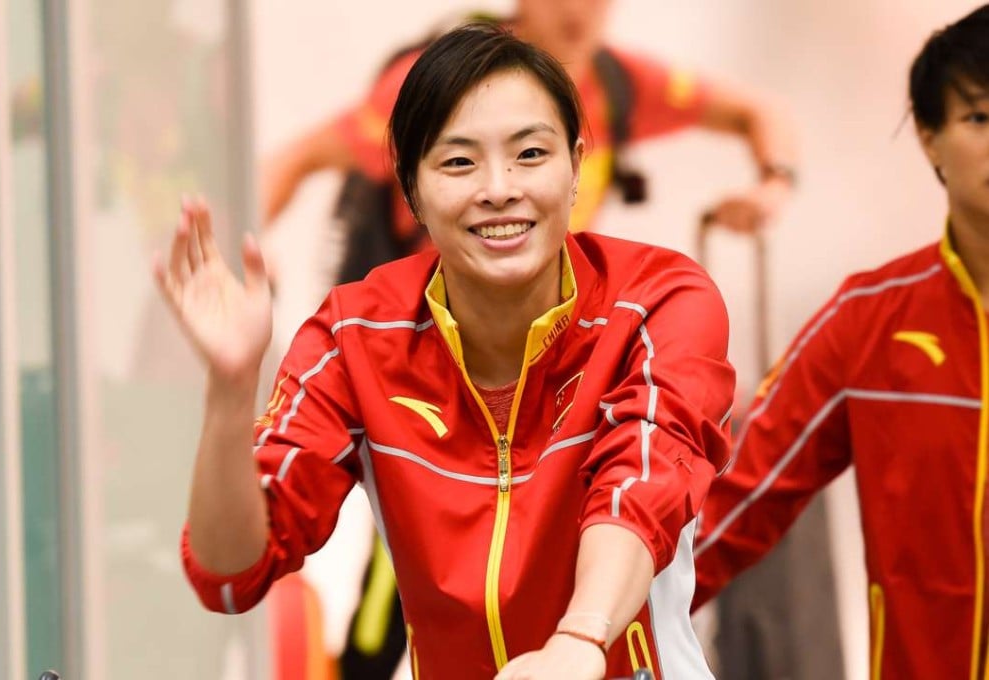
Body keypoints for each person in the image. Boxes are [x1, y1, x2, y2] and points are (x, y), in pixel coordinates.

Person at [156, 24, 734, 679]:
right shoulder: (354, 335)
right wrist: (231, 389)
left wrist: (580, 640)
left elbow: (642, 483)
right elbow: (229, 574)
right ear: (411, 189)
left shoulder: (660, 301)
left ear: (577, 166)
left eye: (531, 154)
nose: (499, 188)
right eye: (459, 162)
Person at [692, 5, 989, 678]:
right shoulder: (868, 322)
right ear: (930, 137)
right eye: (979, 117)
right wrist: (585, 627)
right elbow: (733, 507)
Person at [262, 0, 798, 252]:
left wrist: (774, 185)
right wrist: (245, 258)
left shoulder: (622, 83)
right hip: (425, 334)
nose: (576, 8)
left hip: (541, 336)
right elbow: (296, 158)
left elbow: (760, 111)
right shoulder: (441, 79)